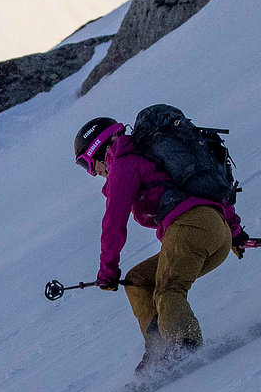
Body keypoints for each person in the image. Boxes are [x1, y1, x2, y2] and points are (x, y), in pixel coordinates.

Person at [75, 115, 246, 373]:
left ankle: (184, 348)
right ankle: (159, 348)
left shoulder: (123, 164)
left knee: (169, 289)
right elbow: (207, 190)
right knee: (138, 281)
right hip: (214, 232)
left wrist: (108, 270)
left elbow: (114, 220)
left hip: (190, 227)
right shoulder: (148, 157)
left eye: (89, 165)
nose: (94, 173)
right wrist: (235, 233)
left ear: (99, 150)